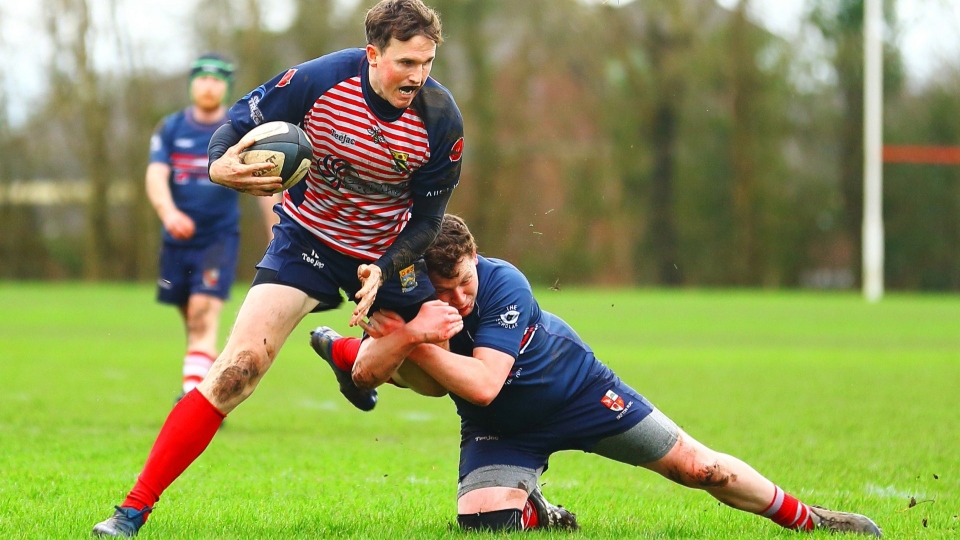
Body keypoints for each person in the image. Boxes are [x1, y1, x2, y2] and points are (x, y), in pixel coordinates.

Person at [92, 0, 464, 536]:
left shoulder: (440, 117)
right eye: (406, 62)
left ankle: (347, 354)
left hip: (385, 255)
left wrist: (385, 267)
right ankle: (132, 509)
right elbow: (241, 117)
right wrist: (220, 162)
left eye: (427, 62)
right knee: (238, 368)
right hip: (307, 239)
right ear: (372, 54)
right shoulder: (320, 80)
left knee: (434, 380)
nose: (418, 75)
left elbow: (429, 221)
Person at [311, 214, 883, 536]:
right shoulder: (410, 299)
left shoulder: (505, 281)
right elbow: (365, 376)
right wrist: (407, 334)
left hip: (580, 394)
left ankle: (812, 521)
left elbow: (484, 382)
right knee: (487, 526)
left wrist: (410, 343)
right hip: (502, 429)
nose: (458, 299)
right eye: (444, 291)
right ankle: (540, 509)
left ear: (476, 257)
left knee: (698, 467)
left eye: (464, 281)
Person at [146, 53, 279, 401]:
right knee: (192, 317)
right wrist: (169, 213)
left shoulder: (239, 133)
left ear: (226, 87)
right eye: (202, 79)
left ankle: (194, 395)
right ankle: (201, 379)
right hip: (176, 240)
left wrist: (277, 233)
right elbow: (155, 176)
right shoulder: (171, 128)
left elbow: (265, 188)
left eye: (216, 80)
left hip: (218, 238)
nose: (209, 85)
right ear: (192, 84)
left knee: (203, 313)